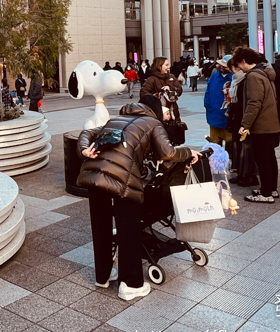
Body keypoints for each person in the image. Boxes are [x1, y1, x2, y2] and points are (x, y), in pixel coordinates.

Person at [78, 94, 198, 300]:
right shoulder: (152, 123)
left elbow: (87, 132)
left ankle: (103, 276)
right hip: (122, 180)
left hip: (94, 174)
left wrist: (84, 150)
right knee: (128, 229)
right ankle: (131, 284)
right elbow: (167, 153)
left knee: (101, 227)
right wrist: (189, 152)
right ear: (155, 111)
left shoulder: (116, 119)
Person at [232, 46, 280, 203]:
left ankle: (265, 193)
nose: (239, 68)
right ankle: (271, 189)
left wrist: (245, 124)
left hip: (262, 125)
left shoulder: (253, 76)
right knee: (270, 158)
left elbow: (254, 103)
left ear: (244, 61)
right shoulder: (265, 73)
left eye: (239, 64)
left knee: (263, 159)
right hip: (272, 123)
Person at [227, 59, 258, 186]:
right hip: (236, 118)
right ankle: (241, 173)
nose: (231, 71)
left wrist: (233, 109)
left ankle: (248, 175)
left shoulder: (245, 81)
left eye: (233, 68)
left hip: (242, 118)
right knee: (238, 147)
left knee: (245, 147)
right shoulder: (236, 81)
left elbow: (247, 103)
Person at [141, 57, 184, 123]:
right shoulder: (152, 79)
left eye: (168, 65)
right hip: (159, 112)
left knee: (175, 130)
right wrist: (156, 96)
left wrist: (171, 88)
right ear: (159, 66)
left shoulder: (171, 76)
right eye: (166, 65)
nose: (168, 67)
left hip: (173, 111)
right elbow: (143, 93)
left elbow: (179, 90)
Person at [204, 56, 232, 147]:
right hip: (214, 116)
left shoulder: (234, 78)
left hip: (228, 118)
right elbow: (208, 92)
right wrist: (207, 105)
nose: (222, 68)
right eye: (221, 65)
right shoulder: (215, 76)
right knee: (215, 147)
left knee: (230, 146)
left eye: (225, 66)